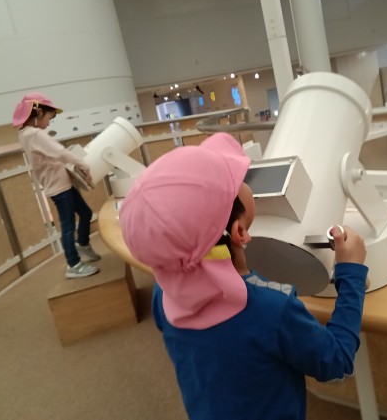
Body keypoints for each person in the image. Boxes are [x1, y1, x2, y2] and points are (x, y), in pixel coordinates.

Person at [119, 133, 368, 420]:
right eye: (240, 181)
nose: (247, 182)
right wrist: (352, 270)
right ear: (239, 232)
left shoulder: (161, 296)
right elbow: (337, 363)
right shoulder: (273, 309)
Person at [12, 92, 100, 279]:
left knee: (85, 213)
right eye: (50, 118)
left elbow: (54, 154)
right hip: (59, 188)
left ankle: (83, 244)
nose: (49, 122)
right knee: (68, 226)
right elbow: (60, 153)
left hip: (62, 184)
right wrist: (83, 165)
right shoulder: (34, 134)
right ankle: (73, 265)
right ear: (38, 113)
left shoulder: (26, 133)